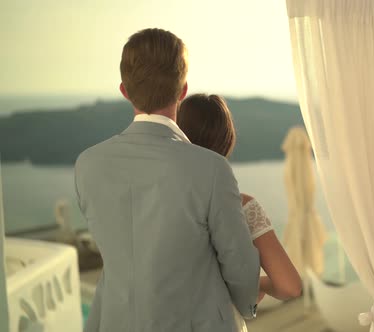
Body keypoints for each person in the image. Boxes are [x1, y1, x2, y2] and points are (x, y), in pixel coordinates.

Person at [75, 28, 260, 332]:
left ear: (124, 90)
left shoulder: (87, 165)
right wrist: (246, 306)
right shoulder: (211, 169)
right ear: (183, 90)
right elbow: (239, 264)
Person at [178, 94, 303, 331]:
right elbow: (290, 286)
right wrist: (258, 285)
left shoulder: (162, 202)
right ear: (227, 140)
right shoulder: (243, 206)